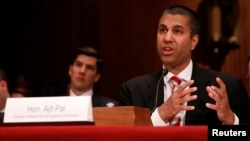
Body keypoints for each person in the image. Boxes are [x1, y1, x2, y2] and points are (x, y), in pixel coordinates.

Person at [120, 5, 250, 126]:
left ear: (193, 41)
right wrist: (160, 115)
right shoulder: (133, 90)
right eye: (162, 30)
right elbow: (122, 137)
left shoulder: (227, 87)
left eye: (177, 31)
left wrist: (232, 121)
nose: (167, 38)